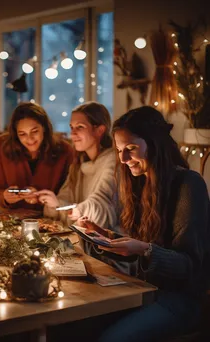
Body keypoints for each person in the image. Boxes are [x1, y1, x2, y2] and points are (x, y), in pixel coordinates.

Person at [88, 106, 209, 342]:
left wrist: (145, 250)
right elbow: (141, 251)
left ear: (154, 144)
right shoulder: (139, 183)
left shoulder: (188, 185)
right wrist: (106, 237)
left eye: (130, 149)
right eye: (119, 150)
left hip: (181, 300)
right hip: (145, 290)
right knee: (79, 325)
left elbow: (189, 266)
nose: (123, 159)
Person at [35, 101, 118, 230]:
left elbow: (102, 205)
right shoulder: (78, 164)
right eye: (71, 127)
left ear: (99, 130)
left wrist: (80, 209)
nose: (72, 134)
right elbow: (65, 199)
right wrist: (54, 203)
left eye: (80, 127)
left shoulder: (113, 161)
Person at [0, 102, 73, 210]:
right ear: (15, 134)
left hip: (51, 220)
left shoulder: (64, 150)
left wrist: (40, 197)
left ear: (44, 127)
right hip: (12, 219)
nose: (29, 139)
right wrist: (4, 197)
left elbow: (69, 197)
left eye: (34, 131)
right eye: (22, 134)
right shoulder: (1, 145)